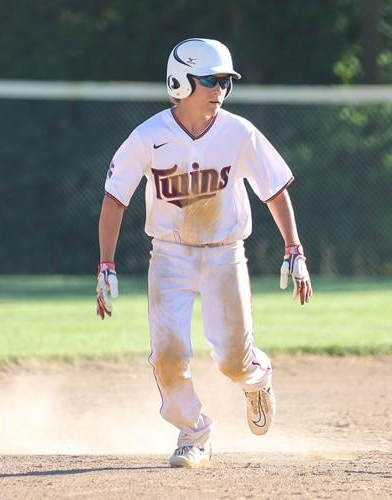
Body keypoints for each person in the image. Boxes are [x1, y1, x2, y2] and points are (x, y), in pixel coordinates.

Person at [96, 38, 312, 468]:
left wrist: (294, 247)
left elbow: (274, 191)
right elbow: (114, 198)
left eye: (225, 82)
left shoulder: (239, 132)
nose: (219, 90)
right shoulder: (149, 136)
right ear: (180, 81)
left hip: (224, 254)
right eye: (210, 81)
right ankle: (194, 433)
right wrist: (106, 263)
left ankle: (257, 378)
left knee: (233, 360)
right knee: (169, 355)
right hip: (170, 256)